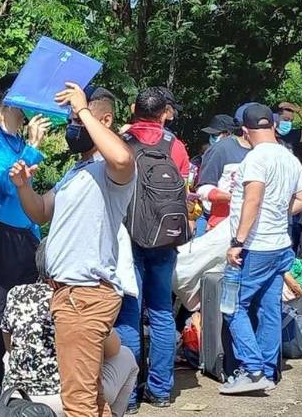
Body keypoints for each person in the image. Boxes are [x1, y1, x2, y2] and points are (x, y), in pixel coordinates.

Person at [10, 83, 136, 417]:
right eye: (71, 120)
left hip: (85, 295)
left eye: (79, 119)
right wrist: (23, 187)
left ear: (104, 120)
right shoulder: (74, 173)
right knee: (90, 397)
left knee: (77, 403)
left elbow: (123, 156)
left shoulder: (111, 172)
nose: (73, 127)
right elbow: (39, 211)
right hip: (68, 294)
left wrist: (82, 108)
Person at [0, 72, 51, 397]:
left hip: (23, 238)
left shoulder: (16, 143)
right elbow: (7, 181)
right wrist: (32, 147)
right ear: (10, 102)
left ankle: (19, 381)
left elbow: (26, 194)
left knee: (22, 312)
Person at [220, 104, 302, 394]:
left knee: (233, 306)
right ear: (273, 126)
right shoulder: (289, 158)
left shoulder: (256, 158)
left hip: (255, 247)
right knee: (270, 307)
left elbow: (253, 200)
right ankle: (269, 370)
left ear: (245, 131)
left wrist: (238, 242)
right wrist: (280, 215)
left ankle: (252, 369)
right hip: (281, 245)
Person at [1, 241, 139, 417]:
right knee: (126, 355)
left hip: (18, 397)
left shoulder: (16, 293)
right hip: (66, 397)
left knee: (8, 355)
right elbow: (113, 350)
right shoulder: (80, 298)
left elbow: (8, 344)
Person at [116, 87, 190, 411]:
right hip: (166, 237)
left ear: (134, 109)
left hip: (128, 237)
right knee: (161, 312)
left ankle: (128, 396)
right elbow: (185, 189)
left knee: (129, 314)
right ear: (163, 114)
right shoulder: (175, 145)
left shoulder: (121, 142)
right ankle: (160, 391)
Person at [197, 112, 248, 230]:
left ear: (228, 133)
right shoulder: (215, 151)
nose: (212, 138)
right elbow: (204, 187)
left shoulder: (251, 153)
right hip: (211, 215)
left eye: (215, 134)